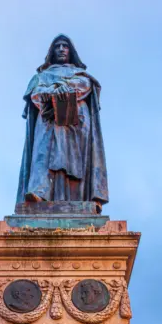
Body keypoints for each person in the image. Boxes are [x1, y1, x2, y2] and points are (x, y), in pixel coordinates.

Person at [17, 35, 108, 207]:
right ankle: (39, 193)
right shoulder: (41, 76)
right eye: (57, 46)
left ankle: (78, 199)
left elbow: (85, 86)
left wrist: (66, 88)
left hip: (76, 122)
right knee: (42, 153)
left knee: (74, 160)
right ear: (52, 51)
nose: (61, 49)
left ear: (70, 51)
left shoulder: (81, 75)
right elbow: (35, 94)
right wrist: (55, 91)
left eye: (64, 46)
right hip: (48, 119)